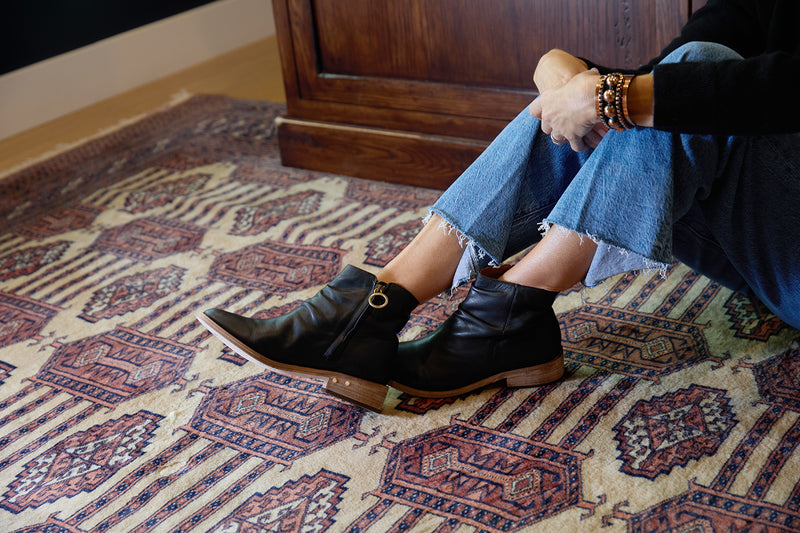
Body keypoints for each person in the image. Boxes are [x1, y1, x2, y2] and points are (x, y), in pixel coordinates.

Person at [197, 0, 800, 412]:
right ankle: (381, 301)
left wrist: (609, 92)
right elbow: (680, 73)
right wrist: (571, 81)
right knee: (651, 92)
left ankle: (510, 311)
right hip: (762, 238)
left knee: (674, 87)